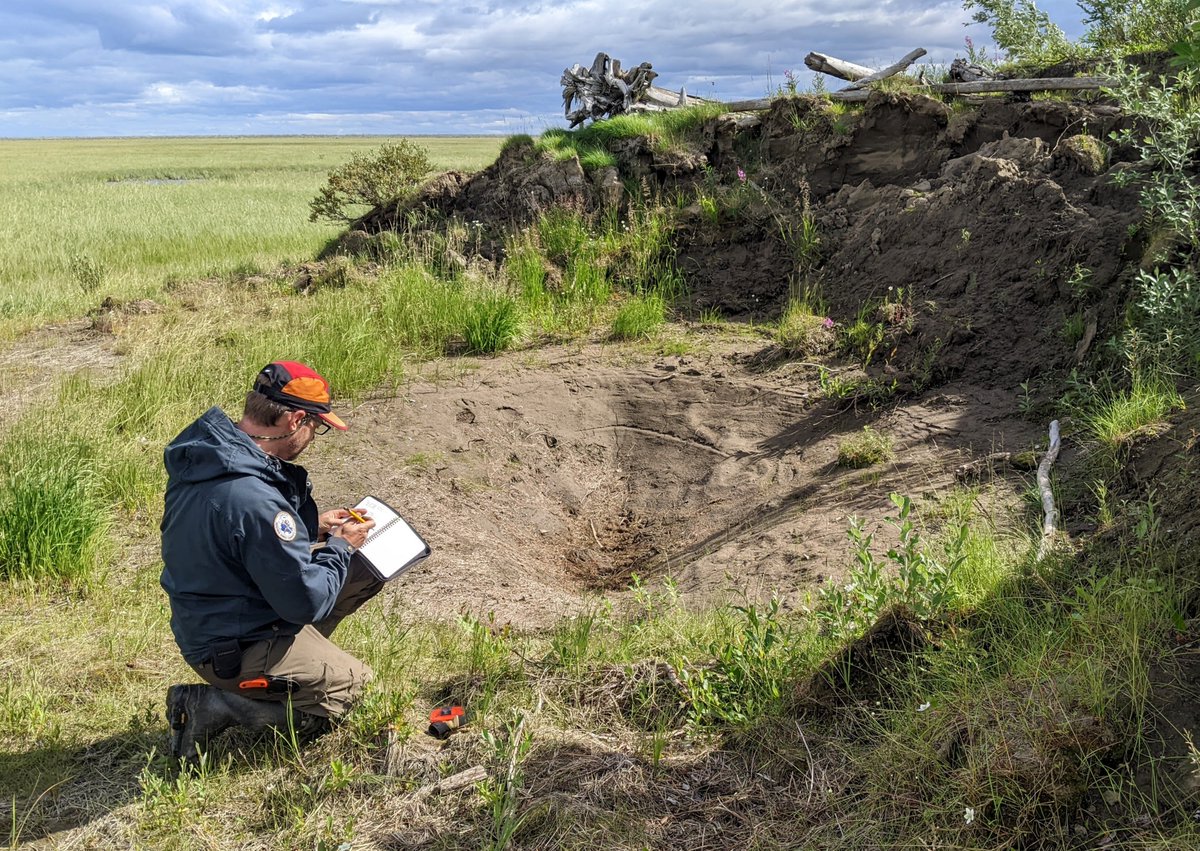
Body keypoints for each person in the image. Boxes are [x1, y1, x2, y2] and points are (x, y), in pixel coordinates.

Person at [160, 360, 384, 762]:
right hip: (232, 646)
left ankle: (293, 669)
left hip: (217, 619)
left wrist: (310, 526)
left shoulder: (217, 458)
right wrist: (339, 546)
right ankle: (217, 706)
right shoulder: (254, 499)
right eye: (318, 426)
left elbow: (235, 537)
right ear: (296, 419)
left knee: (360, 575)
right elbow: (305, 602)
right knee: (358, 689)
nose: (315, 435)